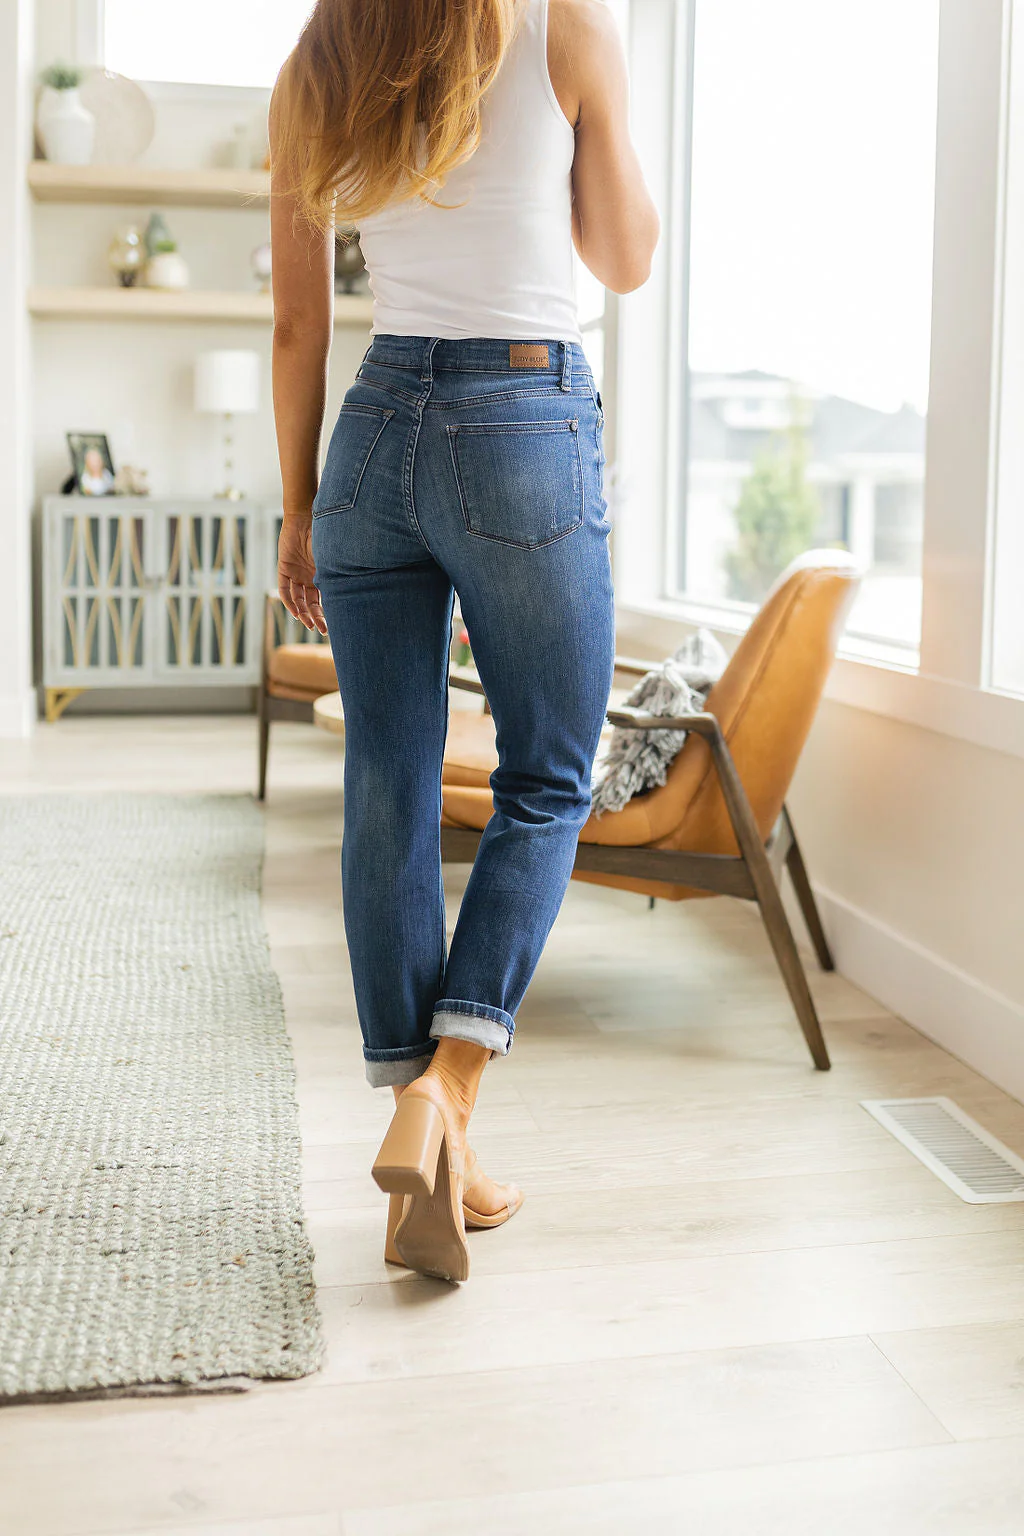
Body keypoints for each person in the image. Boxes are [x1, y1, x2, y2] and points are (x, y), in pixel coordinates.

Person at [269, 0, 659, 1282]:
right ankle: (446, 1089)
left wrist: (299, 511)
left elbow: (298, 324)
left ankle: (428, 1146)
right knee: (547, 775)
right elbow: (624, 256)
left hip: (371, 433)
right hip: (519, 418)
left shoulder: (320, 56)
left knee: (386, 785)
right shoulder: (564, 25)